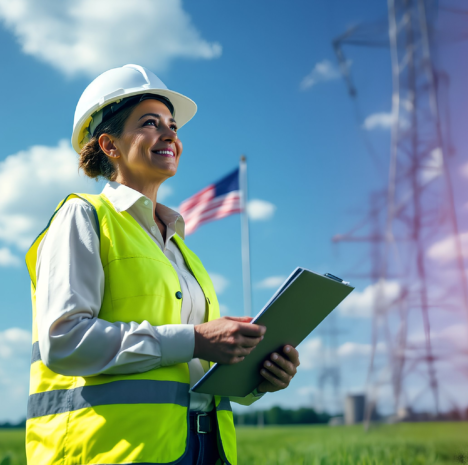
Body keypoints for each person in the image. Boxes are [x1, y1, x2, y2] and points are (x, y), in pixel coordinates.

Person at [25, 64, 301, 465]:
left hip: (205, 447)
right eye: (151, 123)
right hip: (114, 451)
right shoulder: (83, 217)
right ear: (109, 145)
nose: (170, 134)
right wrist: (196, 339)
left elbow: (189, 366)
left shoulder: (180, 248)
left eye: (172, 126)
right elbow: (65, 342)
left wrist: (257, 371)